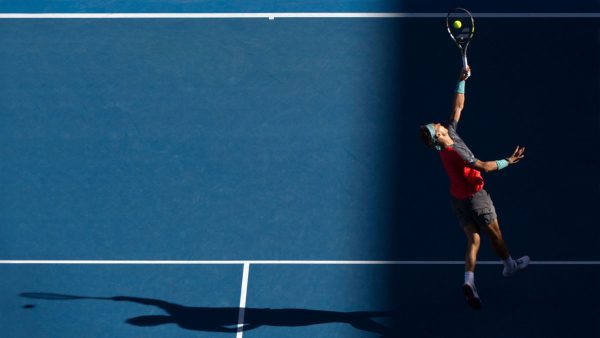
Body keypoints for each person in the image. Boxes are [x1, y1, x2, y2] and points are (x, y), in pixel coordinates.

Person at [418, 67, 529, 310]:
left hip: (457, 200)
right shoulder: (455, 152)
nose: (438, 122)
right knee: (495, 234)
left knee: (473, 241)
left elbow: (458, 106)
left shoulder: (449, 134)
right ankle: (510, 266)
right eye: (435, 124)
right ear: (439, 133)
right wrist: (508, 161)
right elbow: (485, 167)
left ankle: (469, 282)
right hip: (475, 198)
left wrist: (460, 81)